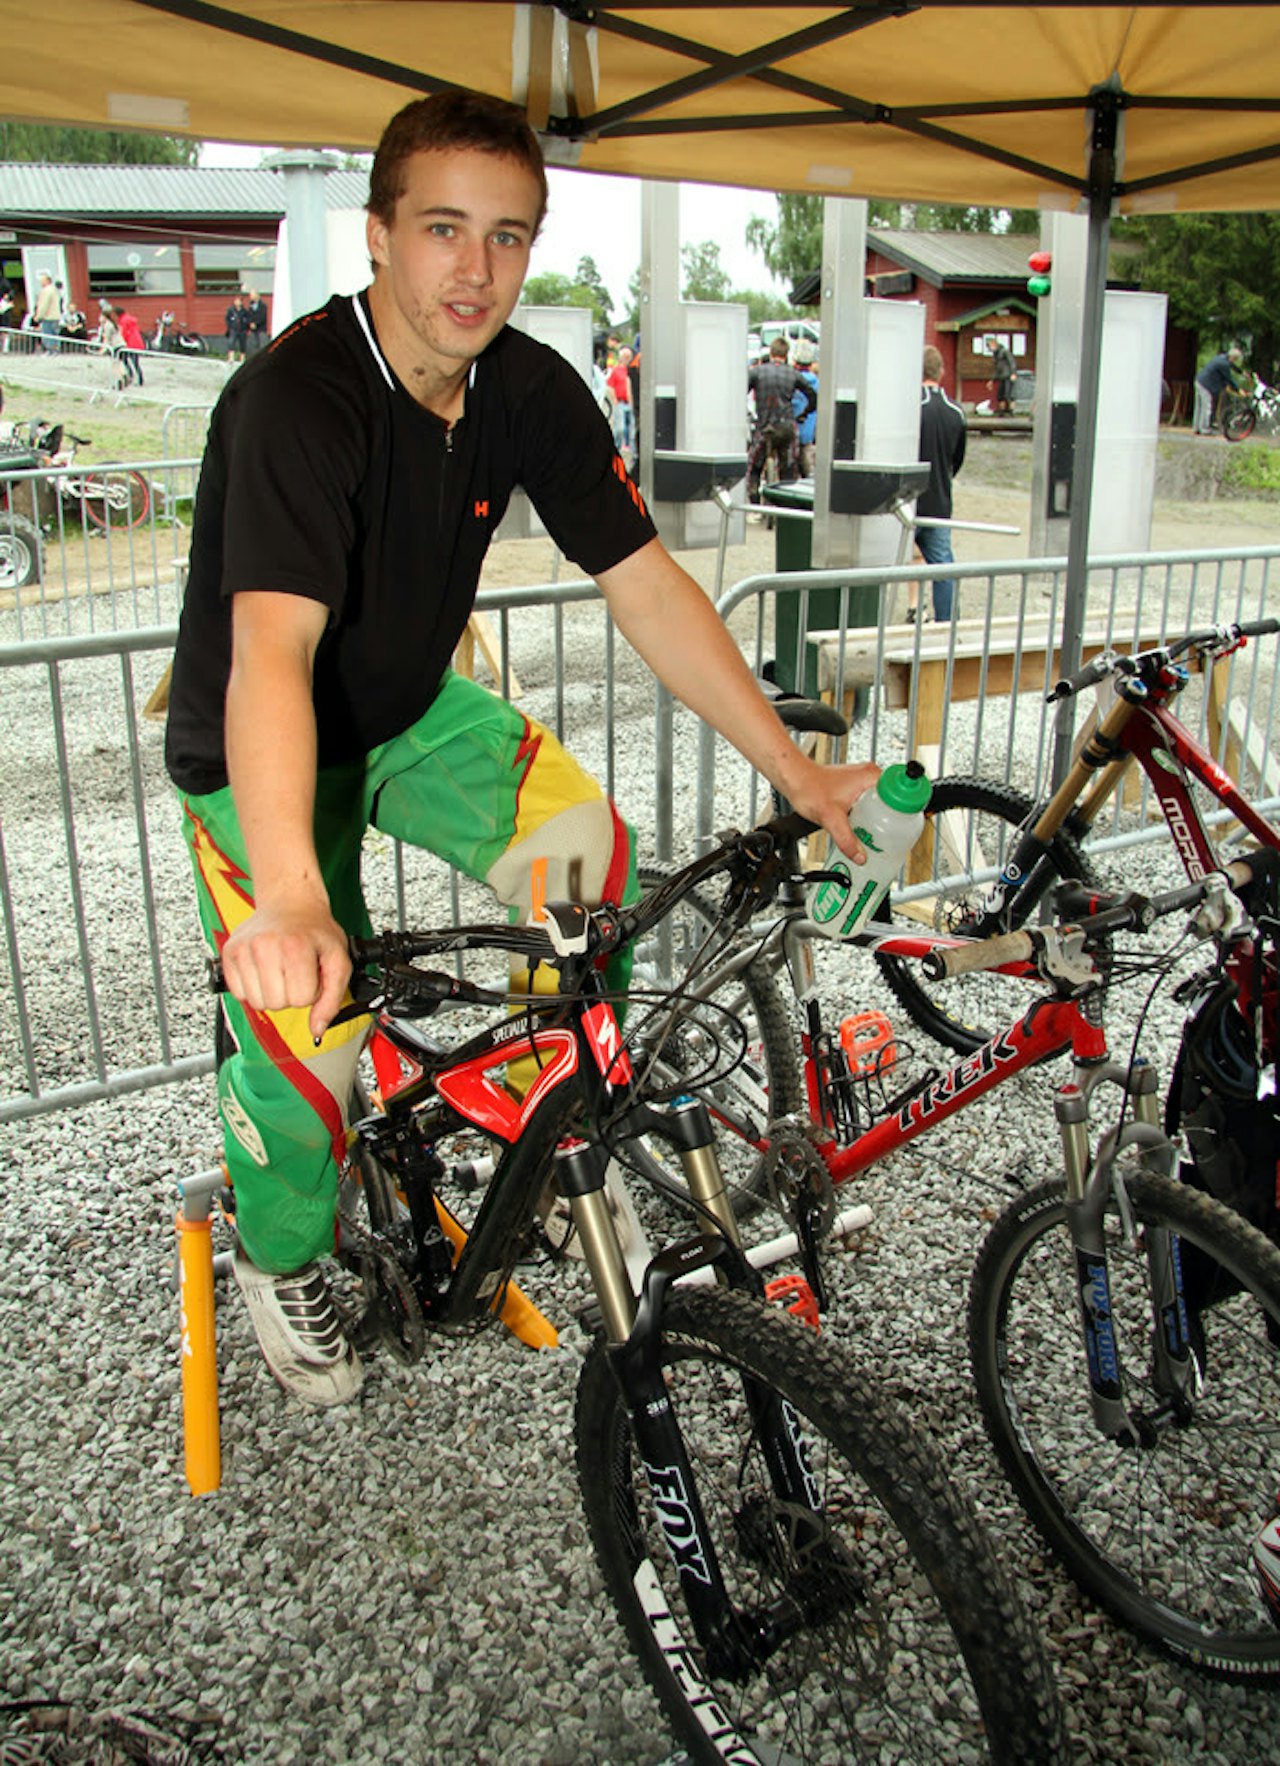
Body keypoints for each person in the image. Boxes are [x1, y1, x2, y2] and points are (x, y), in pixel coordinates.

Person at [163, 88, 878, 1409]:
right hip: (253, 740)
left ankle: (534, 1126)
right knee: (301, 1018)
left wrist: (798, 770)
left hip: (402, 708)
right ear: (376, 235)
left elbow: (650, 584)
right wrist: (294, 893)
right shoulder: (295, 402)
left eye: (508, 235)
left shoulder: (527, 386)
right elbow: (270, 653)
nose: (476, 270)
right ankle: (283, 1255)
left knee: (589, 852)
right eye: (443, 228)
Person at [905, 345, 967, 624]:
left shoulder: (908, 409)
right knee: (942, 567)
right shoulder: (956, 412)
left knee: (887, 563)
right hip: (939, 502)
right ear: (942, 372)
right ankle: (947, 626)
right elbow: (957, 459)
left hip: (904, 501)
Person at [746, 335, 816, 504]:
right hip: (787, 427)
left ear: (771, 352)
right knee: (788, 471)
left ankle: (755, 504)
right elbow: (812, 396)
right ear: (786, 354)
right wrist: (805, 413)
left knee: (753, 468)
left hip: (764, 427)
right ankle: (784, 508)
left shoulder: (756, 372)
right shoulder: (793, 374)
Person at [1194, 345, 1245, 435]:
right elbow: (1229, 379)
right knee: (1206, 406)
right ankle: (1204, 429)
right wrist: (1238, 389)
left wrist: (1240, 372)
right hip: (1206, 385)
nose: (1235, 361)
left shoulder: (1221, 358)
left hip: (1199, 381)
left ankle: (1197, 427)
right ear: (1233, 357)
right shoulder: (1224, 364)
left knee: (1199, 406)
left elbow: (1231, 365)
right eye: (1235, 359)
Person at [791, 339, 819, 479]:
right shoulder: (817, 382)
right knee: (808, 474)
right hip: (808, 436)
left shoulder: (791, 379)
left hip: (791, 434)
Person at [606, 343, 634, 457]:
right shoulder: (616, 370)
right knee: (620, 427)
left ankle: (628, 447)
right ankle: (616, 445)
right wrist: (614, 400)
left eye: (629, 357)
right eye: (625, 357)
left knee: (629, 426)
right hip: (620, 401)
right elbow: (611, 386)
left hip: (629, 402)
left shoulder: (630, 370)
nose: (627, 359)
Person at [115, 305, 147, 386]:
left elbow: (124, 333)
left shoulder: (123, 321)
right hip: (137, 341)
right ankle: (138, 378)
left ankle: (132, 376)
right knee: (135, 362)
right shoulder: (129, 319)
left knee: (127, 360)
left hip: (130, 343)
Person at [33, 272, 61, 353]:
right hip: (56, 316)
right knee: (55, 334)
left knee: (47, 335)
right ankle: (56, 351)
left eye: (42, 281)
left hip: (48, 317)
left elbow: (43, 305)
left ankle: (50, 351)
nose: (41, 283)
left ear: (47, 281)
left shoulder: (46, 291)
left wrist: (38, 316)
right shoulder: (55, 290)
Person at [987, 335, 1015, 416]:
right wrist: (992, 380)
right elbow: (997, 369)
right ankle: (1002, 412)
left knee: (1009, 394)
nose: (989, 348)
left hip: (1008, 376)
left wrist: (1013, 373)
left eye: (990, 346)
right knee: (1000, 395)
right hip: (1001, 377)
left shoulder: (1004, 351)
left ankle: (1011, 411)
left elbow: (1012, 362)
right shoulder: (995, 355)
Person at [243, 288, 269, 355]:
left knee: (262, 345)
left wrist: (256, 324)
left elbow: (262, 317)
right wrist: (250, 323)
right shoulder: (250, 306)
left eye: (251, 295)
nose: (250, 297)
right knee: (253, 346)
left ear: (256, 295)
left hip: (261, 329)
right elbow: (249, 315)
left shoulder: (263, 306)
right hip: (253, 330)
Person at [224, 293, 248, 363]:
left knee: (242, 344)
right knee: (231, 343)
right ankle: (231, 358)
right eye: (236, 301)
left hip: (242, 330)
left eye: (239, 301)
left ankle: (242, 358)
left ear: (241, 302)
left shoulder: (244, 311)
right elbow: (227, 319)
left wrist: (245, 326)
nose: (237, 302)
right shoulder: (231, 310)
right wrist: (230, 325)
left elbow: (247, 319)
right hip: (233, 329)